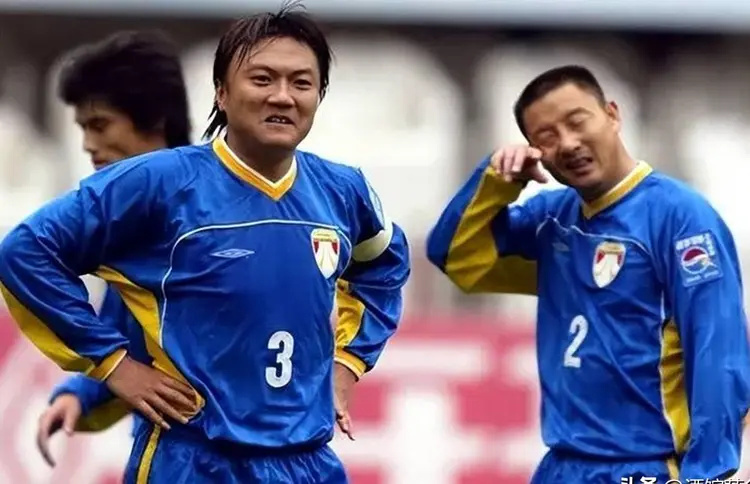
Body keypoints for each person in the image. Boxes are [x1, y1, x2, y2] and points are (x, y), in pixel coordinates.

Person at [0, 4, 410, 483]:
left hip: (308, 461)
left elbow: (384, 265)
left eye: (301, 83)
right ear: (221, 92)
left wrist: (348, 363)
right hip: (195, 460)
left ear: (319, 95)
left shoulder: (344, 191)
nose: (282, 96)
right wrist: (115, 368)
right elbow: (26, 252)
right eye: (262, 79)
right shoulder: (157, 183)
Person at [426, 64, 750, 482]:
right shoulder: (551, 219)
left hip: (647, 464)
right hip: (562, 465)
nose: (568, 143)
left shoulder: (681, 218)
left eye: (577, 122)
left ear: (612, 114)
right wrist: (495, 182)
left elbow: (716, 350)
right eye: (546, 137)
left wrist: (709, 473)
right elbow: (454, 256)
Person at [34, 30, 192, 467]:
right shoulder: (129, 225)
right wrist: (79, 394)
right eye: (83, 128)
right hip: (174, 458)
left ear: (155, 119)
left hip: (259, 454)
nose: (88, 144)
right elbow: (123, 337)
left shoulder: (226, 210)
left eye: (99, 125)